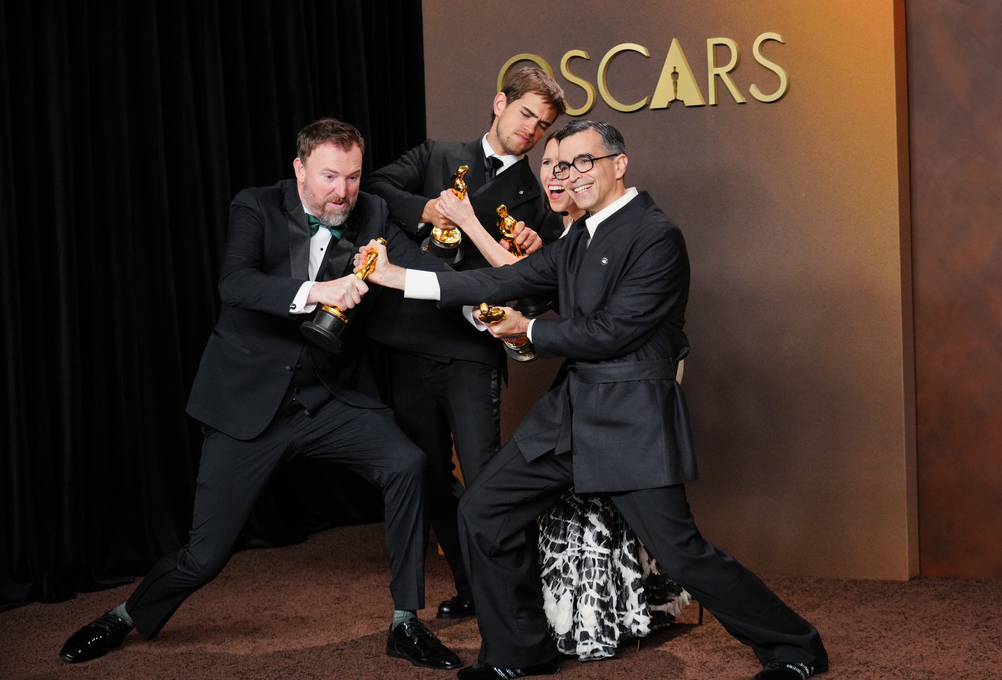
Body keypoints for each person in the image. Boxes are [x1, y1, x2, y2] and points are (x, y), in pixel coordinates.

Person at [356, 119, 829, 680]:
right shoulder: (577, 237)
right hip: (570, 415)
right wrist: (397, 277)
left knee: (681, 555)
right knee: (483, 510)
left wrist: (528, 333)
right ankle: (516, 654)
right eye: (560, 165)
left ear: (618, 164)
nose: (569, 174)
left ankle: (796, 647)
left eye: (584, 162)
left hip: (631, 419)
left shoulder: (656, 235)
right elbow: (497, 282)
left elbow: (612, 332)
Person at [58, 119, 461, 672]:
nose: (342, 191)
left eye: (352, 175)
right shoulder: (256, 206)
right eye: (328, 176)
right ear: (298, 169)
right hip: (249, 403)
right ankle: (124, 616)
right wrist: (318, 290)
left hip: (328, 397)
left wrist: (480, 277)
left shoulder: (370, 210)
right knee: (204, 557)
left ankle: (404, 623)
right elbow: (236, 284)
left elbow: (416, 265)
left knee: (407, 463)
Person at [361, 66, 566, 620]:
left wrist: (532, 243)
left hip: (471, 350)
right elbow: (376, 186)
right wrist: (427, 209)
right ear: (499, 102)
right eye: (526, 114)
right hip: (409, 340)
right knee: (428, 477)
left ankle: (515, 600)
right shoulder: (435, 155)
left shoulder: (536, 199)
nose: (531, 131)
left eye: (542, 126)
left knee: (487, 478)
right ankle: (473, 586)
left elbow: (537, 283)